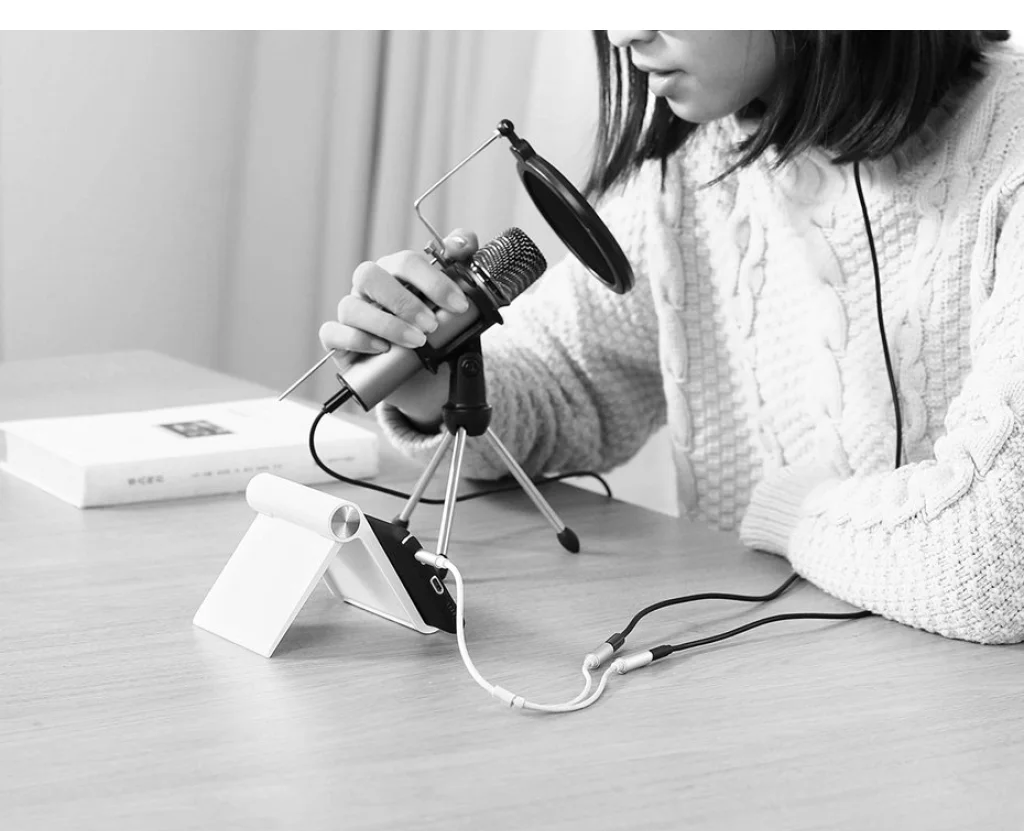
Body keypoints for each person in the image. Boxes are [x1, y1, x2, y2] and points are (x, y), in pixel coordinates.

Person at [319, 30, 1024, 646]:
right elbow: (564, 383)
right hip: (767, 679)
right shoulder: (701, 164)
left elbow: (996, 562)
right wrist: (438, 381)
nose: (624, 30)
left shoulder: (1009, 152)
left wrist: (788, 513)